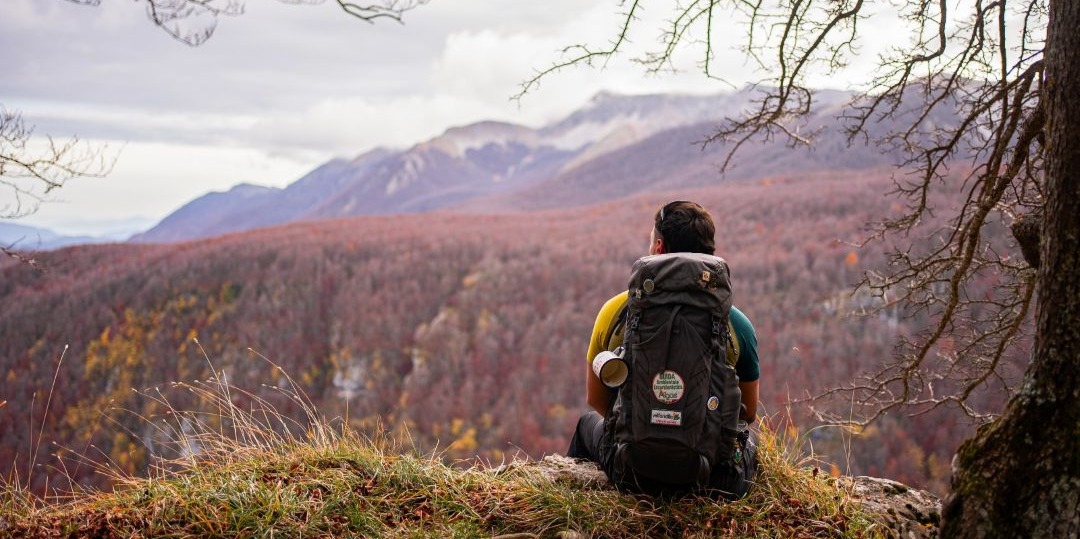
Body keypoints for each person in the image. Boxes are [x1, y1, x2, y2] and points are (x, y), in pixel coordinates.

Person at [566, 200, 760, 493]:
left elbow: (596, 399)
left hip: (631, 471)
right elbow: (747, 413)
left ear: (658, 247)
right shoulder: (737, 325)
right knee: (752, 439)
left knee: (585, 424)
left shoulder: (615, 312)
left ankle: (574, 502)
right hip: (710, 478)